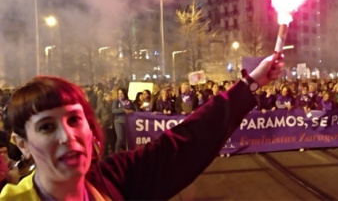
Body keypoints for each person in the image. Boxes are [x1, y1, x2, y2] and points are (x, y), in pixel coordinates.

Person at [0, 54, 283, 200]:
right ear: (21, 143)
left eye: (75, 119)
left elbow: (186, 142)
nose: (67, 136)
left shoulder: (115, 179)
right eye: (47, 127)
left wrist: (250, 84)